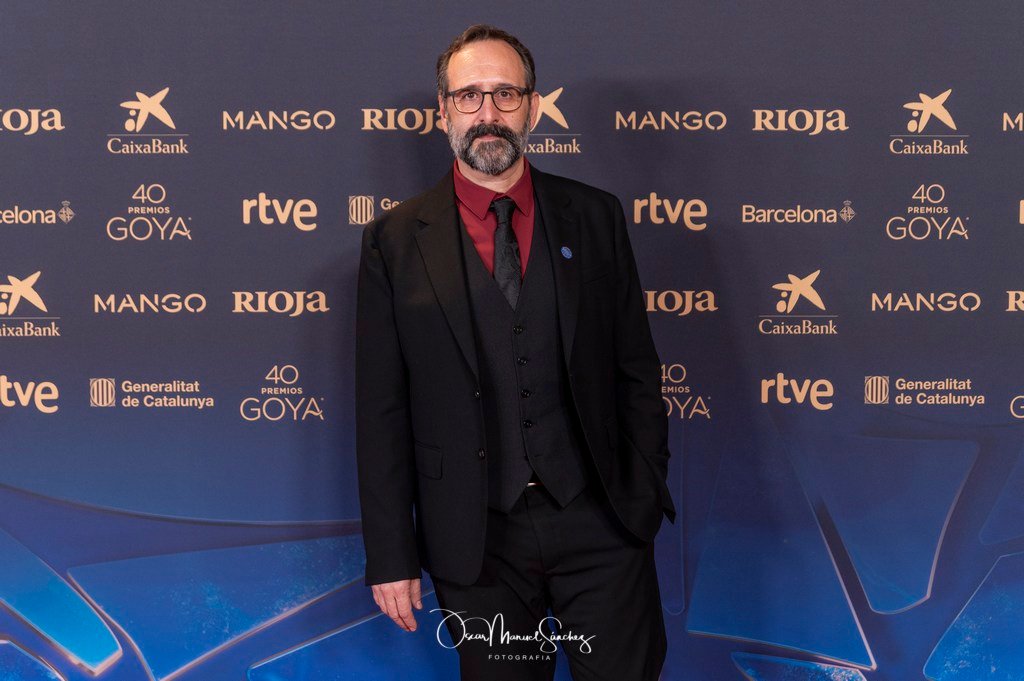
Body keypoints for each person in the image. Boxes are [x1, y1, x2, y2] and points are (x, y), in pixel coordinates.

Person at [355, 24, 676, 681]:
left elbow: (637, 370)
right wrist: (390, 553)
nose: (488, 113)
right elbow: (381, 409)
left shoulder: (595, 216)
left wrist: (640, 495)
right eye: (468, 96)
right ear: (443, 111)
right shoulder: (394, 240)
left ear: (532, 107)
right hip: (476, 538)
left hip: (601, 524)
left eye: (506, 94)